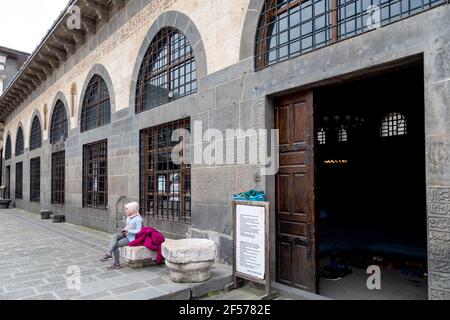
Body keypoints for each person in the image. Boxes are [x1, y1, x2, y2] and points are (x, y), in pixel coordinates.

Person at [100, 202, 143, 269]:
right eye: (125, 209)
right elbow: (128, 226)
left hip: (131, 238)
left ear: (132, 209)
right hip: (126, 234)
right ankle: (109, 254)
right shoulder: (129, 216)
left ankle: (116, 264)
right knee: (115, 235)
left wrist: (129, 231)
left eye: (127, 209)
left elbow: (139, 231)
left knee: (115, 245)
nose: (125, 210)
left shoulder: (138, 219)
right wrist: (125, 229)